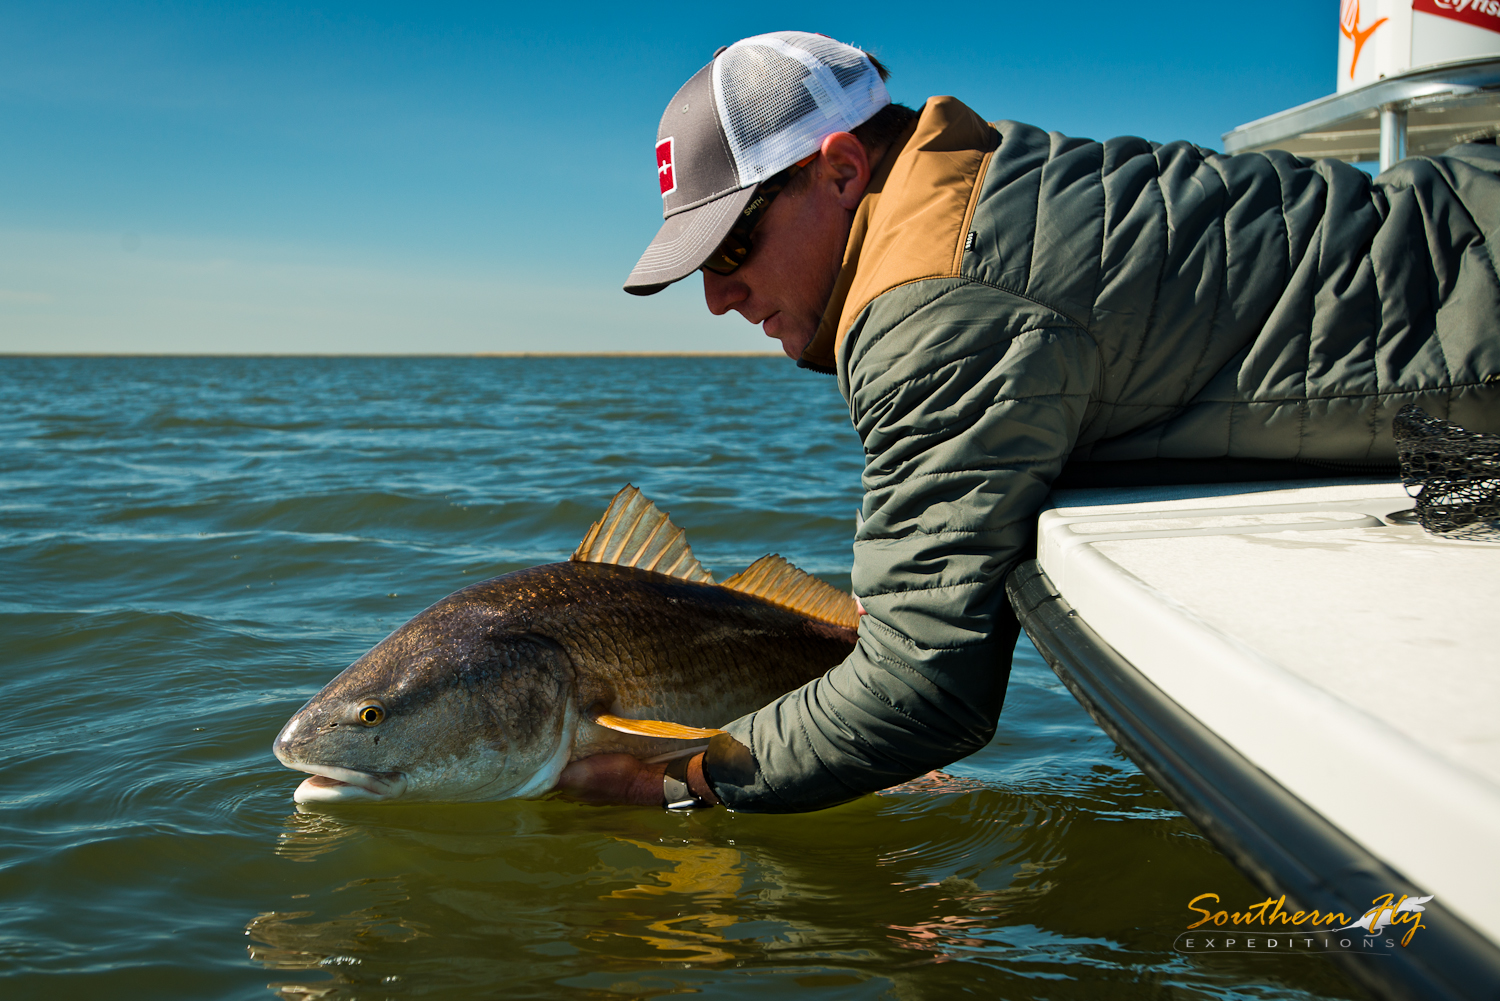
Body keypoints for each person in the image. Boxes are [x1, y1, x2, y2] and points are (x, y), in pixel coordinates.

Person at [557, 30, 1500, 813]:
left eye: (733, 243)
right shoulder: (986, 173)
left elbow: (922, 690)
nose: (719, 296)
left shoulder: (925, 309)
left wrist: (673, 784)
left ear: (841, 169)